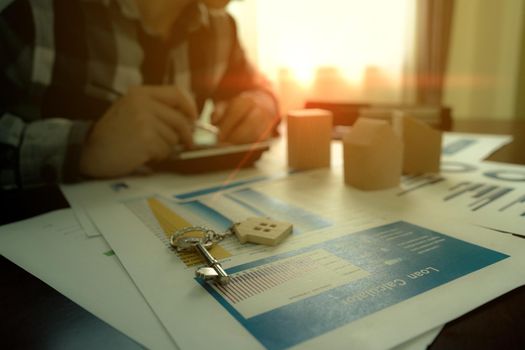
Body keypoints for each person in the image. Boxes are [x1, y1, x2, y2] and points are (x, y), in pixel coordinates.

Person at [0, 0, 279, 190]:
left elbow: (260, 88)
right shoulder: (34, 20)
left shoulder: (221, 29)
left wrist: (262, 106)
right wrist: (84, 148)